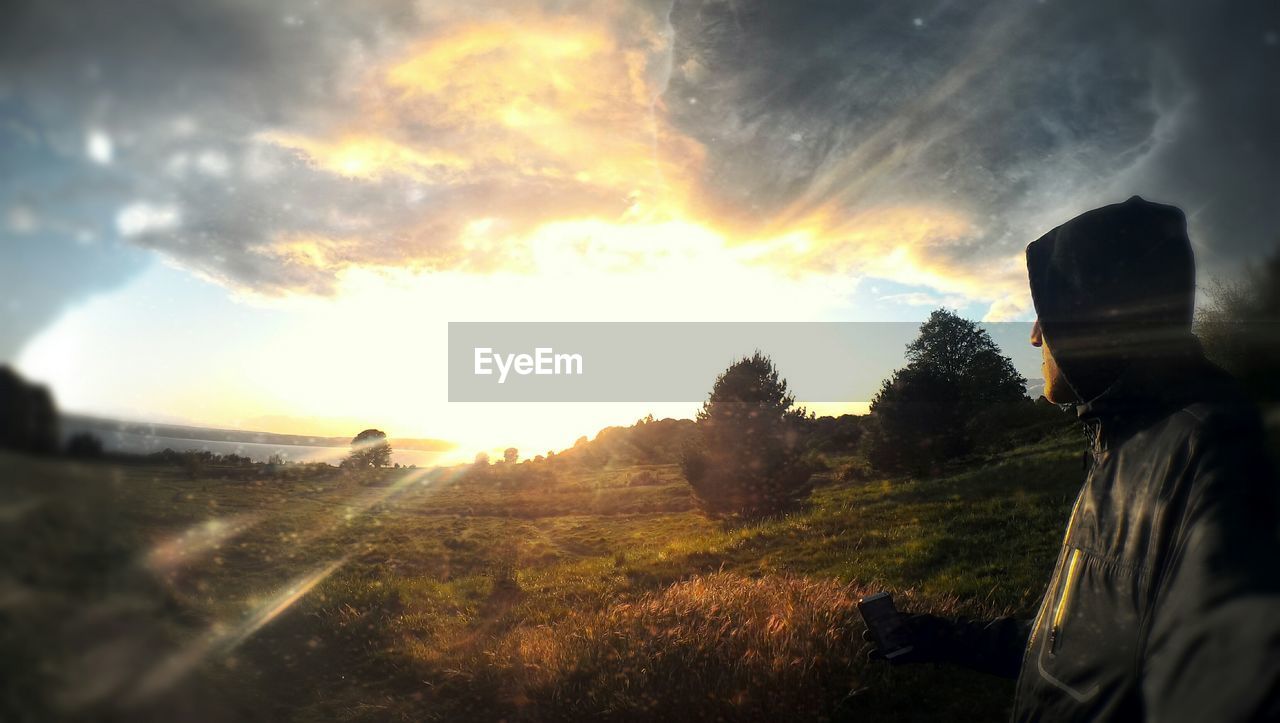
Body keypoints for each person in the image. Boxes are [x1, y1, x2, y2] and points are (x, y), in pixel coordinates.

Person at [863, 196, 1280, 721]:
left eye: (1048, 312)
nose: (1035, 334)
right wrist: (941, 637)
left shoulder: (1216, 457)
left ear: (1094, 315)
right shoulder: (1126, 450)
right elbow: (1082, 649)